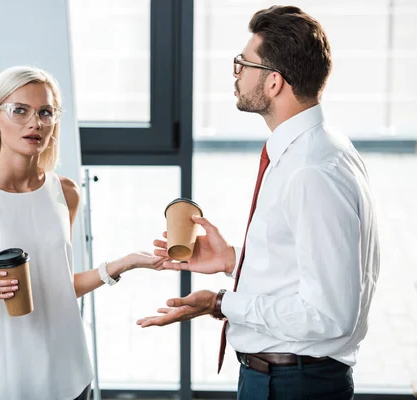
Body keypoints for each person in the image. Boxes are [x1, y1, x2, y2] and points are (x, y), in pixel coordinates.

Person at [137, 6, 379, 400]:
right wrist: (234, 260)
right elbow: (306, 269)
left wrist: (222, 303)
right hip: (282, 378)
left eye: (242, 64)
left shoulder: (310, 170)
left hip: (291, 385)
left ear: (274, 83)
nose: (235, 74)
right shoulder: (315, 148)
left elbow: (330, 315)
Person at [0, 66, 166, 400]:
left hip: (66, 371)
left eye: (45, 112)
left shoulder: (65, 192)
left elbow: (57, 286)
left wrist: (119, 265)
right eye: (20, 111)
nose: (35, 123)